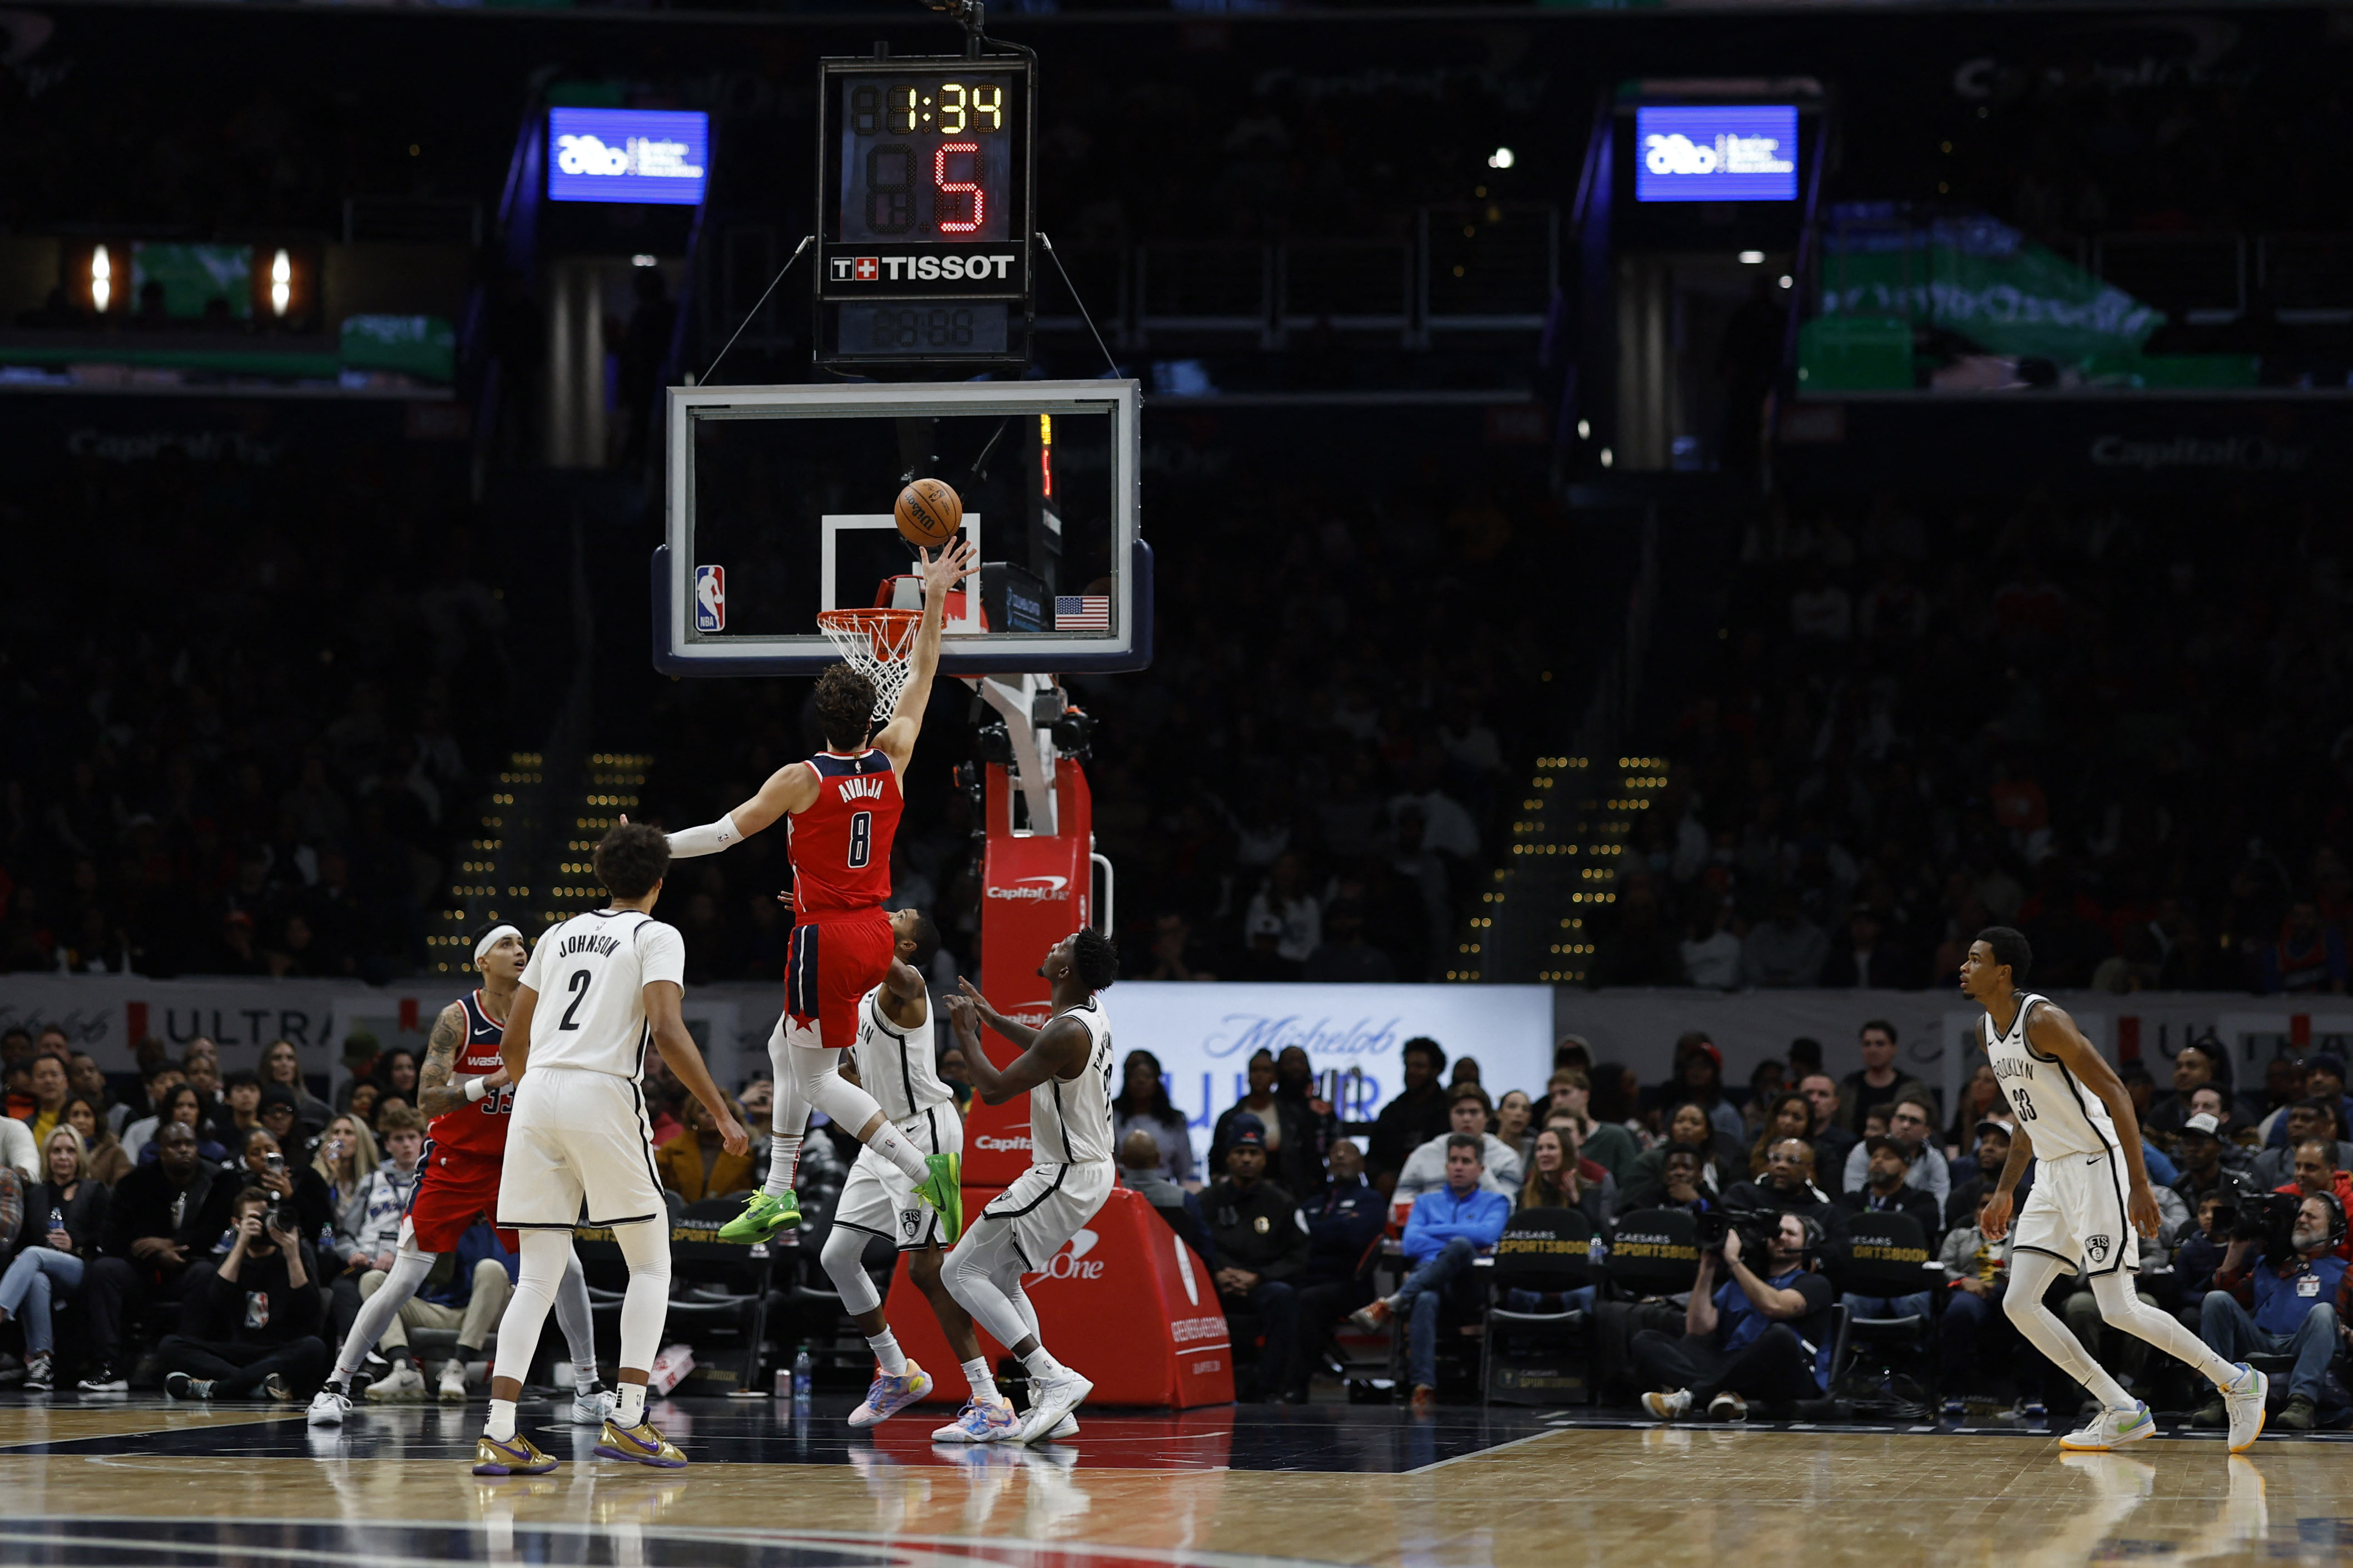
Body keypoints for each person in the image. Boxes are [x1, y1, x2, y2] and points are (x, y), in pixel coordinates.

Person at [663, 540, 978, 1249]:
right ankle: (777, 1193)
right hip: (871, 929)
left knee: (813, 1083)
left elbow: (720, 836)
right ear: (871, 714)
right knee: (785, 1046)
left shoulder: (801, 777)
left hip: (826, 939)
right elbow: (925, 667)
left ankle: (922, 1171)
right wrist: (932, 596)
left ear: (820, 718)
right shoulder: (894, 752)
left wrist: (654, 848)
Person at [469, 823, 748, 1476]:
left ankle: (498, 1431)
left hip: (536, 1093)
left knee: (536, 1276)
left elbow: (513, 1039)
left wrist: (537, 1085)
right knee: (650, 1265)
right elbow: (668, 1031)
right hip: (601, 1093)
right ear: (659, 881)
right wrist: (718, 1109)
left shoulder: (561, 934)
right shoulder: (657, 935)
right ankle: (626, 1418)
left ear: (601, 876)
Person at [1964, 925, 2268, 1453]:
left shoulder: (2044, 1020)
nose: (1964, 967)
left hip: (2094, 1162)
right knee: (2019, 1302)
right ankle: (2121, 1409)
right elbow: (2023, 1114)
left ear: (2002, 971)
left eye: (1974, 959)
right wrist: (2004, 1190)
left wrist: (2140, 1184)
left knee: (2117, 1307)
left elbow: (2116, 1092)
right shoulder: (1984, 1029)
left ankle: (2237, 1382)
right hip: (2052, 1172)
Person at [314, 925, 614, 1427]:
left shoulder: (545, 1013)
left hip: (518, 1163)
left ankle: (588, 1389)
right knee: (403, 1276)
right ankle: (334, 1385)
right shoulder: (459, 1019)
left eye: (523, 945)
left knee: (570, 1271)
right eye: (507, 945)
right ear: (481, 961)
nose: (520, 951)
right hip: (454, 1160)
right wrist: (487, 1083)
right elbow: (427, 1100)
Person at [813, 909, 997, 1434]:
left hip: (927, 1134)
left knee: (925, 1270)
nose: (891, 912)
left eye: (902, 917)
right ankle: (897, 1372)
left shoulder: (908, 985)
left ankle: (989, 1399)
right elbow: (854, 1073)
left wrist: (825, 913)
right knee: (837, 1255)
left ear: (910, 948)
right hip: (881, 1136)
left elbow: (868, 947)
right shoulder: (866, 997)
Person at [939, 926, 1121, 1445]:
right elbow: (1046, 1049)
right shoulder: (1086, 1015)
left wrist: (967, 1035)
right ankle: (1053, 1406)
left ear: (1065, 970)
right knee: (1003, 1277)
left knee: (959, 1271)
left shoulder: (1067, 1030)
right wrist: (994, 1019)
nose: (1051, 946)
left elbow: (993, 1091)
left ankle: (1053, 1378)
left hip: (1064, 1173)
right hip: (1083, 1170)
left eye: (1059, 946)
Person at [1348, 1133, 1509, 1412]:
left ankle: (1392, 1303)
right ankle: (1424, 1387)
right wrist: (1464, 1237)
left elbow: (1487, 1234)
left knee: (1460, 1247)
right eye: (1454, 1161)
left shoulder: (1497, 1202)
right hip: (1431, 1283)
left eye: (1466, 1161)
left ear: (1481, 1169)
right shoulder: (1425, 1202)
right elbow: (1411, 1243)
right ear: (1446, 1166)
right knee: (1424, 1297)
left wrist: (1433, 1232)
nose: (1459, 1167)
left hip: (1469, 1287)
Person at [1634, 1211, 1835, 1422]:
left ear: (1807, 1244)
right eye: (1776, 1232)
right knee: (1647, 1341)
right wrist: (1707, 1266)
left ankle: (1691, 1398)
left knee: (1780, 1335)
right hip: (1732, 1366)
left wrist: (1733, 1260)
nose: (1781, 1237)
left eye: (1791, 1233)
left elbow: (1774, 1306)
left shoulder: (1815, 1284)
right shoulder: (1738, 1283)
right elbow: (1698, 1329)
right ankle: (1722, 1395)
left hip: (1787, 1374)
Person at [77, 1122, 216, 1393]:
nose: (184, 1150)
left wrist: (171, 1245)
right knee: (105, 1269)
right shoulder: (136, 1183)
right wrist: (154, 1255)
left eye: (189, 1143)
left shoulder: (215, 1181)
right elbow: (113, 1237)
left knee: (206, 1273)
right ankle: (109, 1367)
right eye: (175, 1145)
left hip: (188, 1266)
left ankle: (185, 1367)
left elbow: (214, 1232)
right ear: (160, 1152)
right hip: (141, 1271)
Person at [2194, 1192, 2346, 1432]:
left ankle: (2301, 1403)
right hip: (2261, 1341)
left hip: (2305, 1345)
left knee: (2324, 1312)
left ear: (2333, 1228)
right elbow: (2227, 1300)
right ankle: (2216, 1398)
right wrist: (2236, 1247)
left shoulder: (2343, 1271)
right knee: (2216, 1300)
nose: (2302, 1220)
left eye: (2311, 1216)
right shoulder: (2267, 1265)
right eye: (2300, 1215)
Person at [157, 1186, 326, 1402]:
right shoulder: (232, 1260)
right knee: (170, 1345)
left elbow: (310, 1311)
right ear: (237, 1223)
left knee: (313, 1347)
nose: (263, 1225)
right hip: (236, 1351)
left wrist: (293, 1255)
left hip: (279, 1351)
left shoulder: (294, 1254)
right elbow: (216, 1300)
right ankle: (256, 1386)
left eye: (266, 1218)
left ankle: (217, 1389)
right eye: (254, 1219)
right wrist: (241, 1242)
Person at [1201, 1114, 1311, 1402]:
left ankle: (1268, 1387)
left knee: (1283, 1297)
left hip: (1261, 1282)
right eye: (1240, 1152)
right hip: (1217, 1282)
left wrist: (1260, 1277)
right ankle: (1205, 1384)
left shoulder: (1282, 1203)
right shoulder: (1206, 1201)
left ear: (1264, 1158)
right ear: (1228, 1158)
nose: (1247, 1159)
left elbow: (1299, 1255)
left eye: (1254, 1153)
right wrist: (1217, 1273)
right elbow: (1191, 1247)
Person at [0, 1126, 109, 1391]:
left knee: (32, 1256)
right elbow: (24, 1238)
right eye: (57, 1151)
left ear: (79, 1156)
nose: (63, 1157)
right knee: (35, 1275)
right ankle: (41, 1362)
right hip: (41, 1270)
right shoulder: (36, 1193)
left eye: (70, 1151)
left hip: (82, 1269)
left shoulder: (95, 1190)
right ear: (47, 1156)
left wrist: (76, 1244)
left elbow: (106, 1239)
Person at [1289, 1139, 1384, 1403]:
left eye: (1349, 1153)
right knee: (1282, 1295)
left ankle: (1298, 1384)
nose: (1340, 1157)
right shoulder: (1313, 1203)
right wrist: (1338, 1229)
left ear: (1361, 1164)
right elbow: (1295, 1238)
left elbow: (1356, 1238)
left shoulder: (1371, 1200)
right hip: (1308, 1279)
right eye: (1335, 1154)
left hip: (1351, 1285)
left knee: (1307, 1301)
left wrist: (1316, 1232)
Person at [1836, 1134, 1941, 1322]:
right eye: (1875, 1157)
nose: (1878, 1161)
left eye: (1888, 1158)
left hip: (1908, 1284)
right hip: (1862, 1284)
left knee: (1913, 1303)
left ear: (1905, 1170)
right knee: (1849, 1303)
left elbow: (1925, 1230)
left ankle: (1915, 1351)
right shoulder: (1851, 1201)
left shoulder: (1923, 1201)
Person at [1210, 1049, 1320, 1200]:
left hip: (1285, 1194)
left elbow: (1308, 1157)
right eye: (1254, 1070)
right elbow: (1216, 1158)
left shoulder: (1293, 1116)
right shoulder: (1229, 1118)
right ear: (1247, 1076)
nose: (1260, 1076)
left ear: (1275, 1076)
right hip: (1237, 1196)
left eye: (1266, 1070)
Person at [1391, 1084, 1523, 1200]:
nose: (1466, 1119)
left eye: (1474, 1112)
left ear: (1487, 1117)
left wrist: (1480, 1171)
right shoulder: (1423, 1154)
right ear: (1450, 1115)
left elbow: (1508, 1207)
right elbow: (1399, 1205)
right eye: (1460, 1112)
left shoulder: (1507, 1158)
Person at [1365, 1039, 1452, 1195]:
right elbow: (1373, 1156)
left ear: (1436, 1070)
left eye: (1419, 1066)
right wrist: (1379, 1177)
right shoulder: (1391, 1111)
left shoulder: (1450, 1109)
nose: (1412, 1072)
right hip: (1393, 1192)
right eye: (1408, 1066)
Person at [1839, 1095, 1951, 1208]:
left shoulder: (1935, 1161)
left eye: (1914, 1121)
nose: (1906, 1126)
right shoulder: (1864, 1150)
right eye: (1901, 1119)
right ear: (1892, 1123)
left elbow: (1940, 1206)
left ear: (1927, 1132)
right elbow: (1854, 1197)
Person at [1112, 1049, 1196, 1187]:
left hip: (1164, 1191)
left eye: (1147, 1076)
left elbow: (1185, 1168)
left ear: (1157, 1079)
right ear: (1126, 1079)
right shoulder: (1111, 1115)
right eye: (1135, 1076)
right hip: (1122, 1188)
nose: (1141, 1081)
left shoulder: (1173, 1119)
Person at [656, 1091, 755, 1204]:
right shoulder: (671, 1150)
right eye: (702, 1111)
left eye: (716, 1111)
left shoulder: (745, 1153)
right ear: (692, 1116)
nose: (709, 1114)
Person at [1722, 1137, 1838, 1231]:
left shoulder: (1823, 1213)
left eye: (1792, 1161)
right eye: (1776, 1159)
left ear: (1809, 1170)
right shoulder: (1743, 1195)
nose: (1781, 1165)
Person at [1839, 1020, 1933, 1136]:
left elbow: (1931, 1126)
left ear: (1894, 1049)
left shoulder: (1913, 1089)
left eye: (1880, 1044)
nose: (1873, 1050)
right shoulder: (1849, 1086)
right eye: (1867, 1044)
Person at [1544, 1069, 1637, 1180]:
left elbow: (1630, 1185)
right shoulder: (1545, 1140)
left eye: (1565, 1092)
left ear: (1585, 1095)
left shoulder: (1615, 1136)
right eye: (1552, 1096)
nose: (1558, 1101)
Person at [260, 1038, 334, 1139]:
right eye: (277, 1058)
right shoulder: (255, 1107)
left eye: (290, 1058)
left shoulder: (318, 1112)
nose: (284, 1063)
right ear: (267, 1064)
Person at [1798, 1073, 1858, 1178]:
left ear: (1835, 1104)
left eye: (1823, 1095)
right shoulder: (1783, 1137)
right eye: (1808, 1093)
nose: (1814, 1100)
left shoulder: (1848, 1144)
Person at [64, 1097, 131, 1188]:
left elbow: (122, 1189)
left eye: (87, 1115)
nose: (81, 1121)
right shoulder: (57, 1151)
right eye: (75, 1115)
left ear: (97, 1120)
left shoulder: (115, 1152)